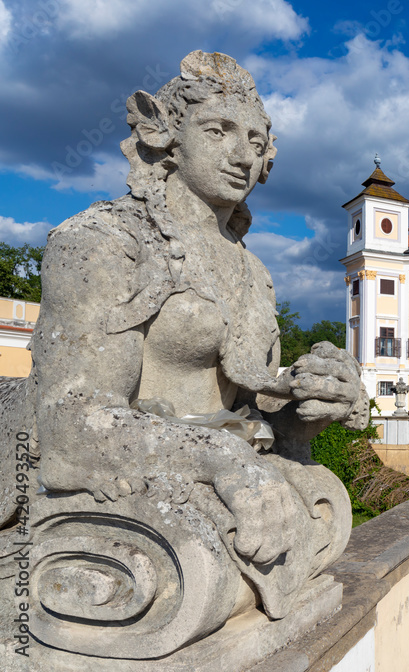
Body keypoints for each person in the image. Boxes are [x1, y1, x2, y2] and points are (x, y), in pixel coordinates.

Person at [2, 51, 367, 572]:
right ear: (166, 134)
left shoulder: (253, 271)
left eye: (257, 143)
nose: (243, 156)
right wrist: (224, 459)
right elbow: (70, 428)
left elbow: (248, 410)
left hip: (220, 480)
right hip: (129, 496)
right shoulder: (105, 241)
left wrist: (311, 405)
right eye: (219, 131)